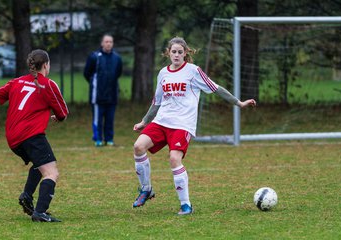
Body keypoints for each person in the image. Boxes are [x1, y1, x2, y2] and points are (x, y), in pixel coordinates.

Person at [132, 37, 256, 215]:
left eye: (180, 52)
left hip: (182, 124)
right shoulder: (163, 74)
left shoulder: (193, 71)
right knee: (138, 146)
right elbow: (157, 102)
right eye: (173, 52)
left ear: (186, 53)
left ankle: (186, 205)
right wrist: (144, 121)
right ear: (168, 53)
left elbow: (216, 88)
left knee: (175, 159)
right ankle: (146, 189)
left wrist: (239, 103)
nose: (176, 55)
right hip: (162, 121)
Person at [0, 49, 69, 222]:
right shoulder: (48, 84)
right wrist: (57, 117)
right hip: (31, 135)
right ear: (46, 64)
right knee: (51, 173)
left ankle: (26, 196)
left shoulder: (16, 81)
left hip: (13, 138)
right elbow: (62, 114)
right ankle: (40, 212)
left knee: (40, 164)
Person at [84, 33, 123, 147]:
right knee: (98, 119)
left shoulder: (117, 58)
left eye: (110, 42)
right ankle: (98, 140)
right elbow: (87, 73)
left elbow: (118, 73)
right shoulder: (94, 57)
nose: (108, 44)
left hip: (112, 95)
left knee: (110, 119)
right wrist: (95, 84)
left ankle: (109, 139)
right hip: (97, 96)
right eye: (106, 41)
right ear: (102, 43)